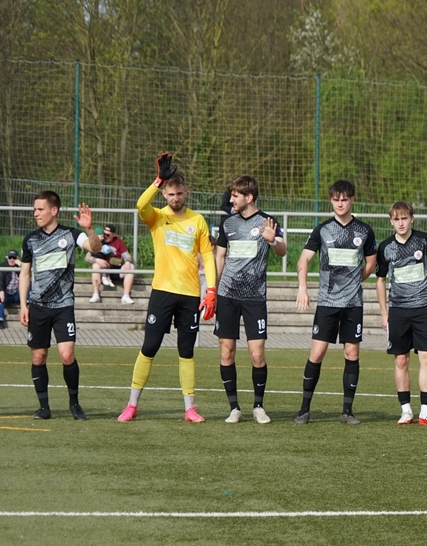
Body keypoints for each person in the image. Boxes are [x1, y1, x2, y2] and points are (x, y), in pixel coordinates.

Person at [117, 153, 216, 423]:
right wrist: (158, 181)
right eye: (170, 194)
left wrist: (211, 290)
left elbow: (208, 257)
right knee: (150, 346)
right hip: (162, 292)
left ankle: (189, 408)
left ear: (186, 192)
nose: (175, 198)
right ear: (164, 194)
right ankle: (132, 405)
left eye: (179, 193)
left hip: (190, 295)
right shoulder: (157, 217)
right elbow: (141, 204)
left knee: (187, 351)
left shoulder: (198, 221)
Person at [295, 179, 377, 425]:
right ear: (331, 201)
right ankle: (304, 409)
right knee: (317, 352)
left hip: (353, 303)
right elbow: (303, 260)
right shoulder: (322, 229)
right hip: (327, 303)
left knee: (351, 353)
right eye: (336, 200)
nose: (340, 204)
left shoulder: (364, 230)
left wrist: (354, 281)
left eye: (344, 199)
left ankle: (347, 411)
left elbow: (371, 263)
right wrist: (303, 288)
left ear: (352, 200)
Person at [19, 192, 101, 420]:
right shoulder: (30, 240)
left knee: (67, 355)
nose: (36, 214)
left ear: (53, 211)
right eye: (34, 209)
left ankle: (74, 404)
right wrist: (24, 305)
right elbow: (25, 274)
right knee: (39, 357)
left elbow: (94, 248)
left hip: (63, 305)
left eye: (40, 209)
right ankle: (44, 408)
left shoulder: (71, 234)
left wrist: (90, 229)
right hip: (37, 306)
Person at [213, 175, 286, 424]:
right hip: (227, 296)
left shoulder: (267, 221)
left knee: (257, 354)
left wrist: (272, 240)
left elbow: (282, 250)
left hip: (255, 297)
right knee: (227, 352)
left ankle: (258, 406)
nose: (231, 199)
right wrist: (213, 291)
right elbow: (220, 257)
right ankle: (234, 407)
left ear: (249, 197)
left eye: (235, 195)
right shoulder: (227, 223)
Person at [376, 201, 427, 425]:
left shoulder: (424, 240)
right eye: (396, 219)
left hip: (423, 309)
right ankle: (406, 410)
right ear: (391, 221)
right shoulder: (385, 247)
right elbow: (380, 280)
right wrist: (384, 312)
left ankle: (426, 411)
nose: (401, 223)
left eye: (404, 218)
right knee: (401, 360)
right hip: (398, 310)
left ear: (412, 219)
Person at [87, 223, 136, 304]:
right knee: (95, 265)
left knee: (131, 266)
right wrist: (97, 260)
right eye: (104, 234)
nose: (105, 236)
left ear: (113, 234)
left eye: (108, 235)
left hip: (116, 270)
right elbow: (87, 258)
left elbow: (127, 255)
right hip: (103, 270)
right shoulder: (99, 241)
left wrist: (127, 261)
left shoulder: (119, 242)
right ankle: (95, 294)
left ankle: (126, 295)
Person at [0, 249, 21, 329]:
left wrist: (21, 264)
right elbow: (0, 280)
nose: (12, 260)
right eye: (10, 257)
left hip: (17, 293)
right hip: (7, 293)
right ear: (7, 258)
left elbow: (27, 275)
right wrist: (1, 291)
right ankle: (0, 320)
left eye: (14, 258)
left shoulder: (19, 267)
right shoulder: (3, 266)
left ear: (17, 259)